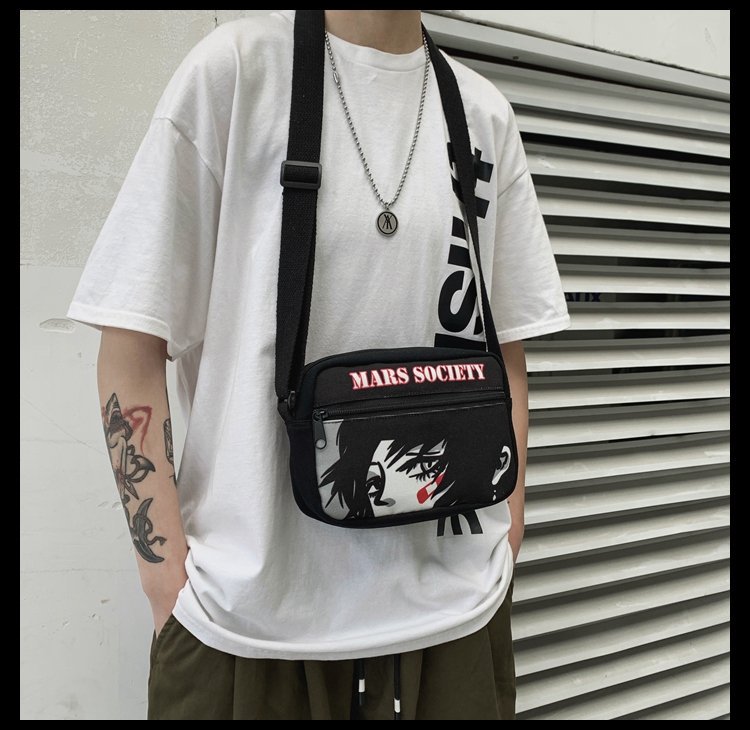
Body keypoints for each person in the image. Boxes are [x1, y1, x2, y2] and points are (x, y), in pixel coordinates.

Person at [67, 10, 570, 721]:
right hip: (248, 628)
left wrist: (506, 537)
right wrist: (166, 583)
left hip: (456, 615)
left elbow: (505, 348)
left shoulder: (482, 114)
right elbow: (130, 345)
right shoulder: (237, 73)